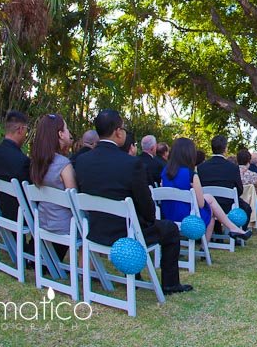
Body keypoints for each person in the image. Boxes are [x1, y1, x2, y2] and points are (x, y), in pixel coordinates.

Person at [74, 109, 192, 295]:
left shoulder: (81, 161)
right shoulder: (131, 163)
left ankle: (137, 276)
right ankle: (170, 284)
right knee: (169, 229)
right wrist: (149, 219)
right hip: (126, 234)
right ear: (118, 132)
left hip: (95, 231)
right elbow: (147, 209)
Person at [160, 137, 251, 243]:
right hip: (187, 217)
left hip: (168, 214)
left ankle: (233, 229)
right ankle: (207, 248)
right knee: (210, 209)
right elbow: (201, 204)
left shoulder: (164, 172)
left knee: (209, 200)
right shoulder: (191, 175)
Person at [29, 113, 78, 261]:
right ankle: (85, 274)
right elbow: (73, 200)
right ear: (60, 134)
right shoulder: (64, 165)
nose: (69, 132)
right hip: (64, 226)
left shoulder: (36, 161)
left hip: (44, 221)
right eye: (67, 128)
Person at [0, 110, 31, 220]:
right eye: (26, 130)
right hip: (19, 216)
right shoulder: (22, 161)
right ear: (21, 130)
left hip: (0, 211)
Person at [197, 135, 250, 221]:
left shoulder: (201, 167)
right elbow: (239, 189)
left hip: (207, 204)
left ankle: (217, 229)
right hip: (227, 205)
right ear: (225, 149)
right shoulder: (232, 167)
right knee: (247, 209)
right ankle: (238, 231)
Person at [237, 149, 257, 230]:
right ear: (249, 161)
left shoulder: (232, 172)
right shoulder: (253, 175)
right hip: (250, 201)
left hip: (235, 199)